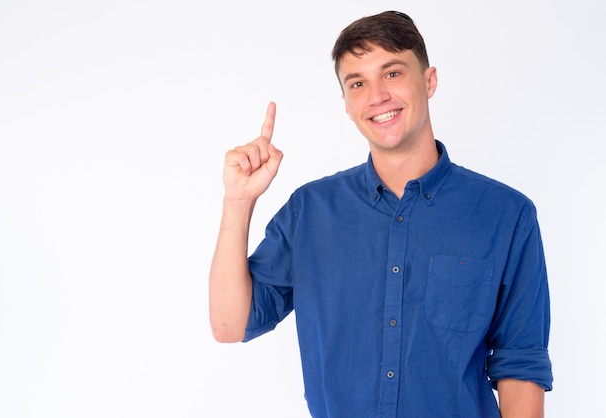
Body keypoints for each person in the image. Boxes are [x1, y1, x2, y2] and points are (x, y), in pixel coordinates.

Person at [209, 10, 553, 418]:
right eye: (358, 83)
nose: (377, 96)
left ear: (429, 81)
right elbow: (231, 325)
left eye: (392, 73)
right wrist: (238, 202)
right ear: (347, 105)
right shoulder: (310, 212)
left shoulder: (506, 215)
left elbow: (520, 364)